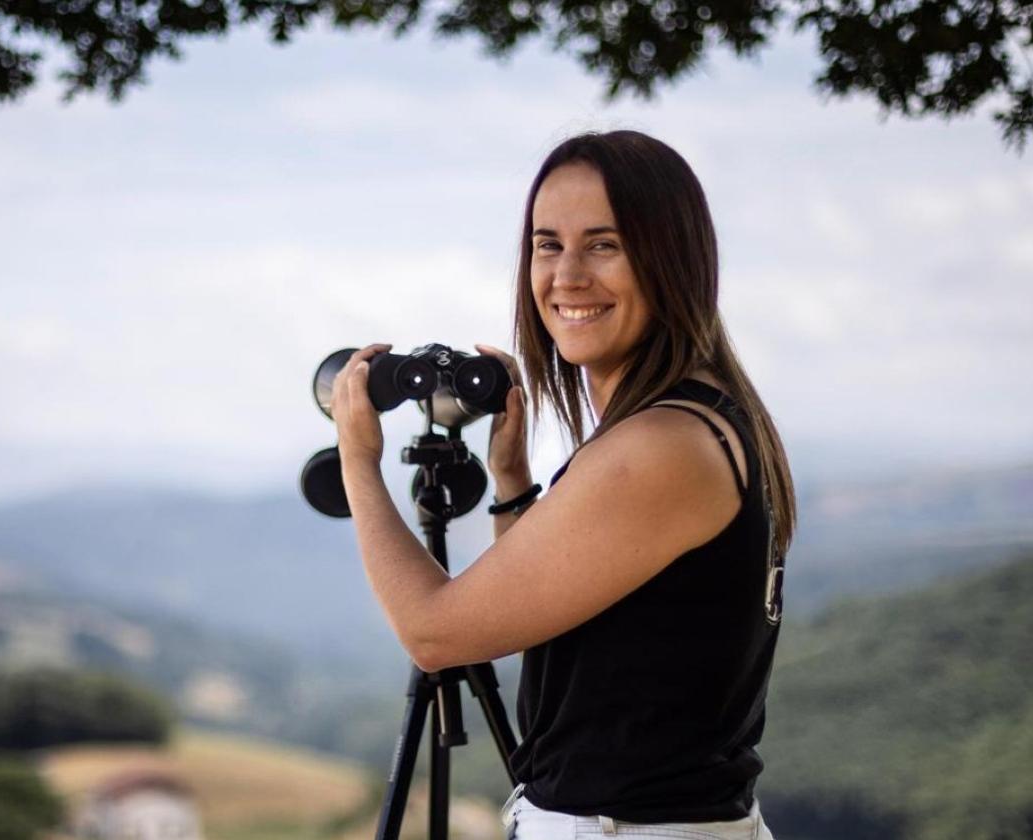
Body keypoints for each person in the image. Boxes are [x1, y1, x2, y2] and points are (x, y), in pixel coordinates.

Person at [329, 129, 796, 840]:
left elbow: (433, 635)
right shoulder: (700, 421)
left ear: (672, 259)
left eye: (604, 245)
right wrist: (514, 484)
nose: (567, 276)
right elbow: (554, 618)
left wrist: (357, 463)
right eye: (548, 245)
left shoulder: (657, 448)